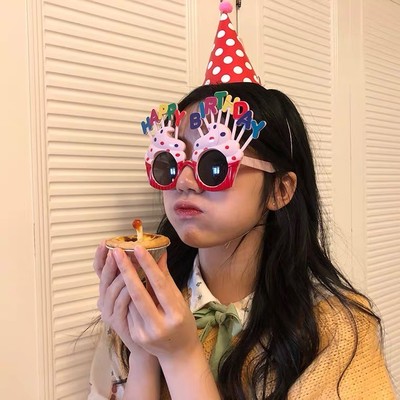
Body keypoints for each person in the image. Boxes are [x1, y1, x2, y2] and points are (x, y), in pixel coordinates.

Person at [88, 3, 395, 400]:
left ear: (280, 190)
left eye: (213, 164)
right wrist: (145, 351)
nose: (183, 181)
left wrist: (181, 356)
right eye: (169, 161)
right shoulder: (140, 310)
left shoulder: (339, 330)